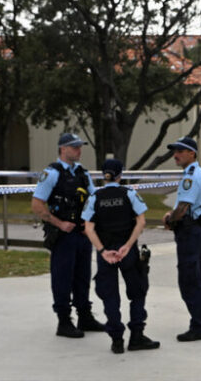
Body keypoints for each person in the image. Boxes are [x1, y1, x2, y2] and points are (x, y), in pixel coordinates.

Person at [30, 132, 105, 338]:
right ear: (63, 149)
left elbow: (93, 198)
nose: (79, 150)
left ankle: (85, 316)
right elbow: (37, 204)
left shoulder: (82, 173)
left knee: (82, 276)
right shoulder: (52, 173)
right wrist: (59, 223)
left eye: (80, 147)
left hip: (82, 233)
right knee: (63, 277)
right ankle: (63, 321)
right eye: (74, 147)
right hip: (63, 235)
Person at [82, 158, 160, 354]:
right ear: (120, 175)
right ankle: (136, 336)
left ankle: (116, 339)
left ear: (103, 175)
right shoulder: (130, 194)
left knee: (110, 296)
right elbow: (141, 222)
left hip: (106, 253)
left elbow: (88, 228)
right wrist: (127, 245)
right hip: (127, 252)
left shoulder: (94, 197)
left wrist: (102, 250)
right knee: (138, 292)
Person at [162, 136, 201, 341]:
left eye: (180, 151)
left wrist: (170, 220)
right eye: (175, 151)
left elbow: (184, 206)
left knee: (189, 278)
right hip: (196, 228)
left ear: (192, 153)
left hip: (189, 230)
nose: (175, 155)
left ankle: (200, 325)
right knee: (199, 276)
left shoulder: (190, 177)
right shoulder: (198, 173)